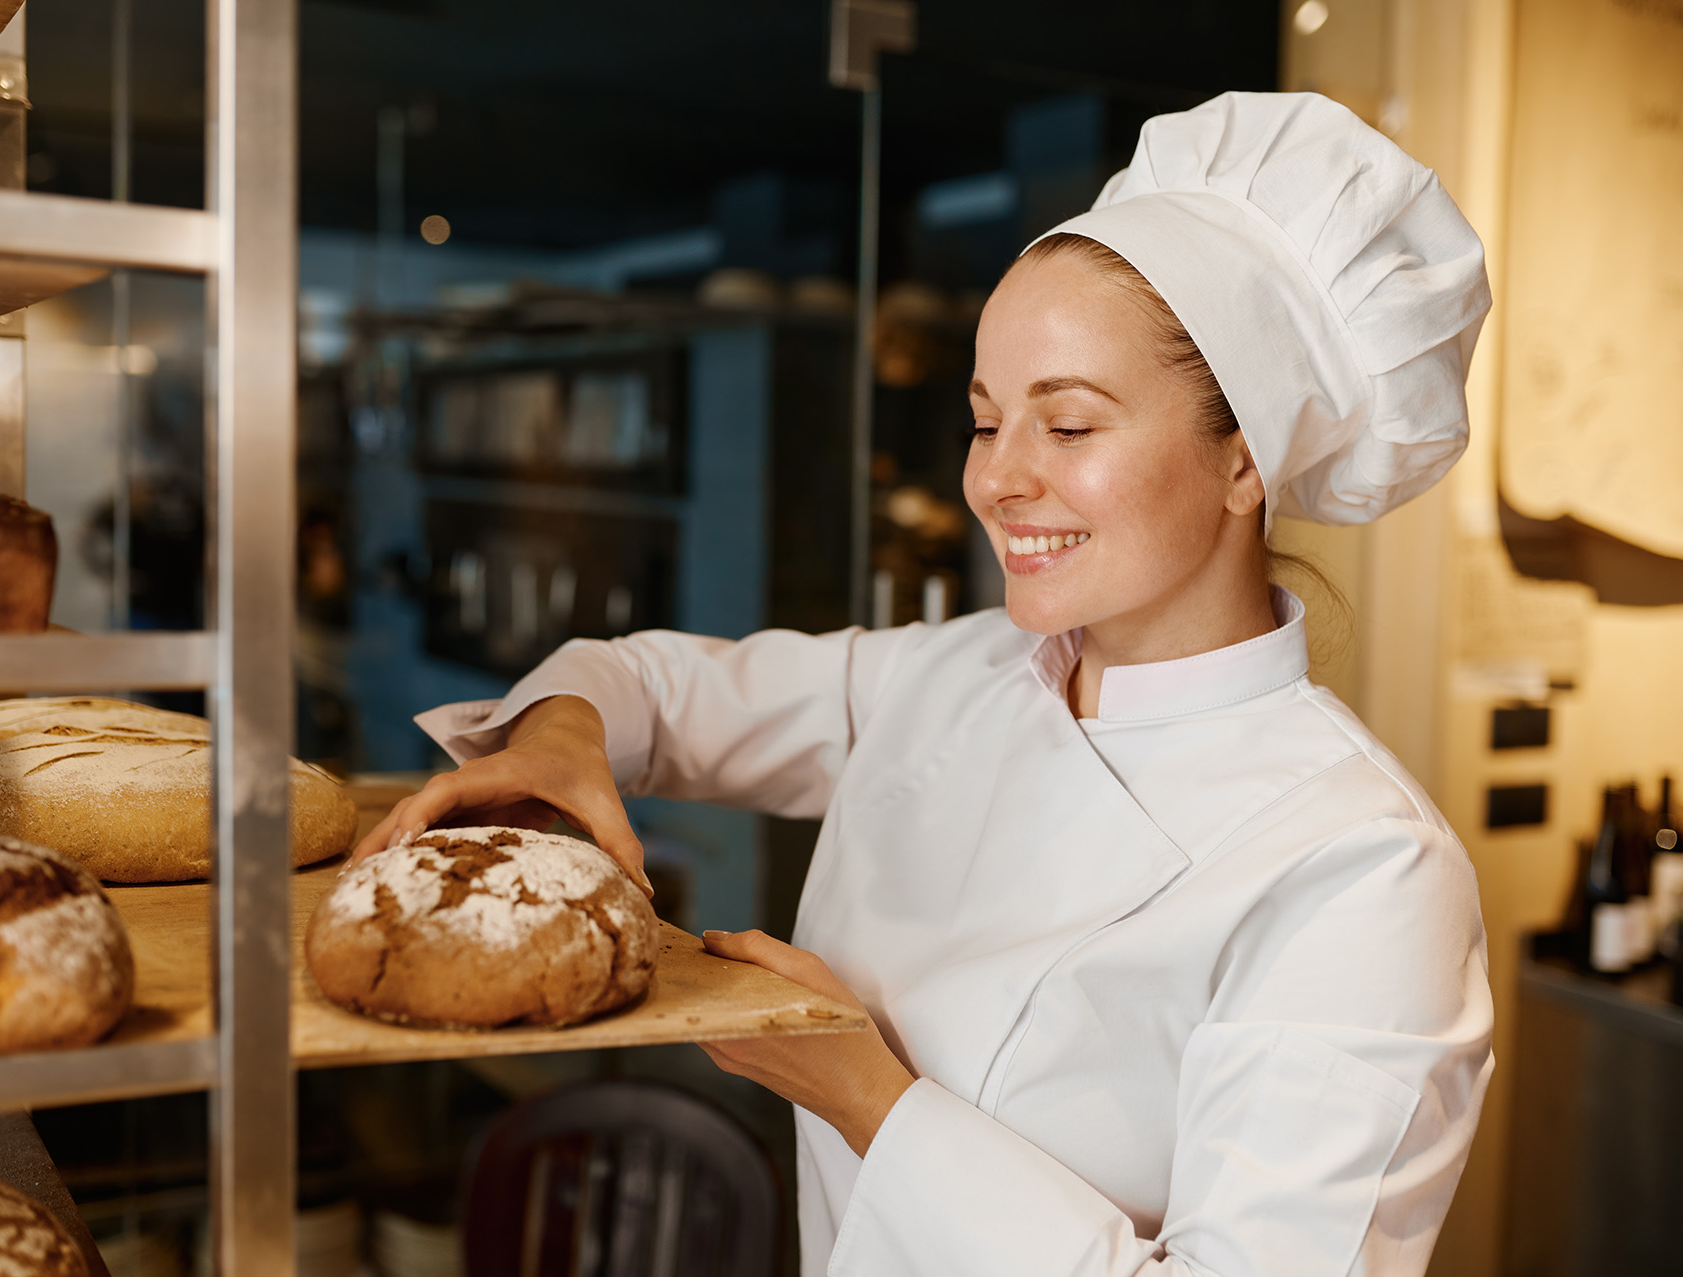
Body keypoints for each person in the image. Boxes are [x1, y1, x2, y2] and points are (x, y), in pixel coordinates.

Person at [358, 92, 1495, 1276]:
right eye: (985, 422)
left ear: (1244, 458)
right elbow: (644, 681)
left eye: (1067, 425)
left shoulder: (1362, 868)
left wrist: (866, 1095)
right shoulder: (958, 674)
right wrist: (559, 739)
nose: (996, 480)